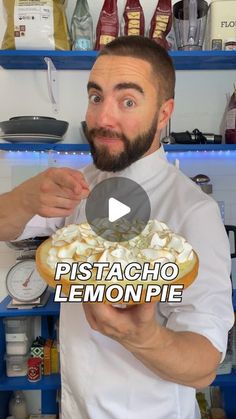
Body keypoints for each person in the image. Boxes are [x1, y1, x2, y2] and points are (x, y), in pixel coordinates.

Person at [0, 36, 234, 419]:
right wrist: (23, 198)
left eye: (127, 101)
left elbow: (204, 364)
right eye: (96, 97)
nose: (103, 118)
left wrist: (142, 337)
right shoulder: (77, 185)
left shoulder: (193, 211)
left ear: (163, 113)